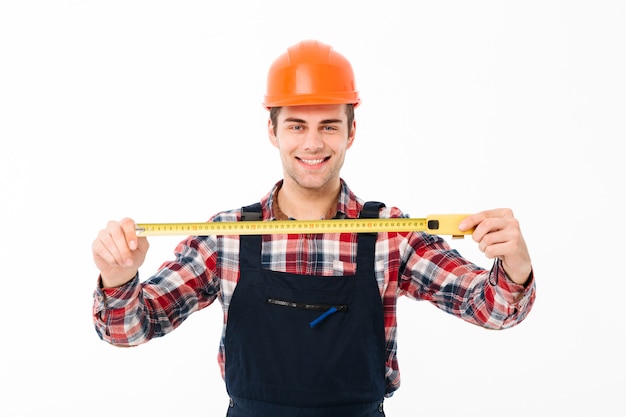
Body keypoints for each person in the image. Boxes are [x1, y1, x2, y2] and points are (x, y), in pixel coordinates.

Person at [91, 39, 536, 417]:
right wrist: (118, 277)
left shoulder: (391, 234)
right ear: (272, 130)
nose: (312, 143)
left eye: (328, 126)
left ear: (351, 131)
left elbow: (491, 310)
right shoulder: (225, 237)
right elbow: (131, 329)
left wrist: (514, 265)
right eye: (297, 125)